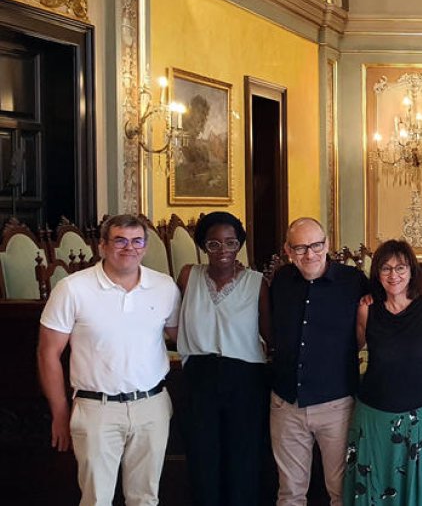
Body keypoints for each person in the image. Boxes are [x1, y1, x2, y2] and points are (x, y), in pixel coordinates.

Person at [37, 214, 181, 506]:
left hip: (151, 406)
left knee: (145, 498)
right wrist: (60, 412)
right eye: (120, 240)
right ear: (102, 246)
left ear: (145, 245)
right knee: (96, 499)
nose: (129, 248)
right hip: (95, 409)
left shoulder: (164, 287)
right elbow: (47, 353)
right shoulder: (73, 289)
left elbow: (182, 338)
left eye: (137, 241)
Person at [269, 217, 368, 506]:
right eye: (300, 248)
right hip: (286, 404)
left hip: (335, 403)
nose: (309, 254)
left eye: (316, 245)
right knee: (290, 492)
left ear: (327, 245)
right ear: (288, 250)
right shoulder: (281, 281)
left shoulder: (353, 282)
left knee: (340, 490)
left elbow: (366, 331)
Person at [176, 211, 269, 506]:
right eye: (214, 244)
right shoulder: (188, 276)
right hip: (199, 378)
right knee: (202, 459)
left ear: (240, 244)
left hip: (245, 379)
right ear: (204, 246)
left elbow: (270, 335)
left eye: (230, 243)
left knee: (243, 460)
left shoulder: (257, 283)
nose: (223, 251)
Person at [344, 239, 422, 505]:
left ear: (411, 270)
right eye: (385, 268)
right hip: (374, 415)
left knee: (415, 488)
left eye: (400, 267)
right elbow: (352, 347)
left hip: (420, 415)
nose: (393, 275)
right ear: (377, 273)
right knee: (375, 485)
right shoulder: (367, 308)